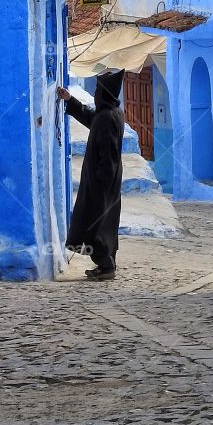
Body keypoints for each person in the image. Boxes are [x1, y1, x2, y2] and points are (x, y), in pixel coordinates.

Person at [57, 70, 125, 281]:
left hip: (102, 181)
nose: (95, 94)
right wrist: (71, 100)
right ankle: (108, 263)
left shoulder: (107, 117)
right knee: (105, 221)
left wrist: (99, 181)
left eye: (97, 90)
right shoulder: (112, 112)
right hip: (108, 180)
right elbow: (91, 119)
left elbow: (107, 152)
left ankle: (106, 266)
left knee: (97, 222)